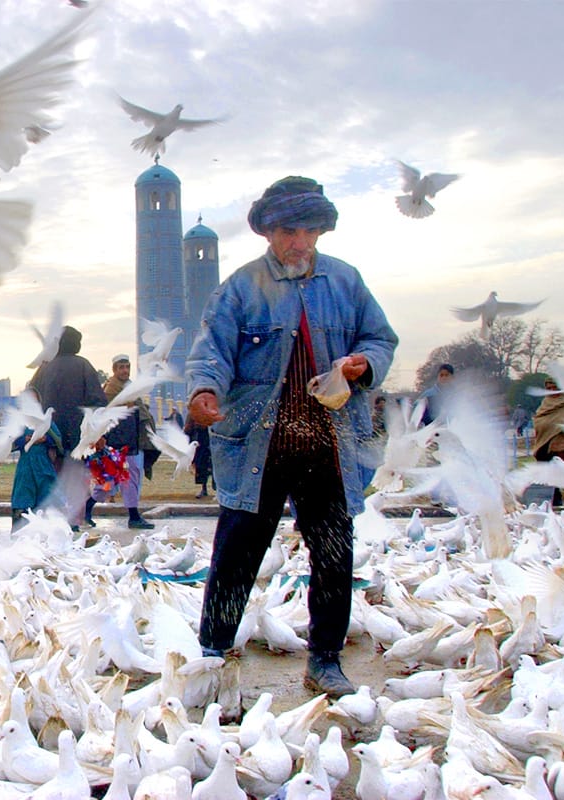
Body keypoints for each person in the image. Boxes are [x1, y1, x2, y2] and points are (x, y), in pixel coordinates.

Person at [185, 175, 398, 698]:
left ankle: (324, 659)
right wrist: (205, 390)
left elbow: (380, 337)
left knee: (332, 553)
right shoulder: (240, 287)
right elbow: (211, 348)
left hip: (328, 441)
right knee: (237, 550)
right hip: (260, 443)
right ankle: (212, 652)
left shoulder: (345, 282)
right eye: (288, 232)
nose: (299, 243)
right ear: (267, 233)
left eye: (308, 231)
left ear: (322, 232)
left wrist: (362, 363)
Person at [29, 325, 106, 527]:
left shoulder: (44, 368)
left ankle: (54, 522)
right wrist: (98, 433)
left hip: (50, 435)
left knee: (53, 478)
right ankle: (73, 521)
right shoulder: (83, 366)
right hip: (78, 435)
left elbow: (30, 398)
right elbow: (98, 402)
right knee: (76, 480)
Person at [96, 354, 157, 530]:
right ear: (114, 369)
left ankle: (133, 515)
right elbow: (105, 415)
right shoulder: (110, 390)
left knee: (131, 476)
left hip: (133, 440)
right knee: (110, 480)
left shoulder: (130, 387)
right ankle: (87, 507)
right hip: (118, 441)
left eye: (127, 367)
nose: (124, 370)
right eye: (121, 367)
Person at [10, 388, 63, 530]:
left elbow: (58, 441)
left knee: (46, 498)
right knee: (22, 497)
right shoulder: (19, 422)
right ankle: (19, 534)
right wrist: (25, 440)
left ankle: (46, 535)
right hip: (26, 466)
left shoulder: (46, 420)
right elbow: (11, 442)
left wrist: (45, 439)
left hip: (43, 465)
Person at [183, 412, 213, 499]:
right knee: (201, 466)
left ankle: (207, 489)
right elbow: (188, 430)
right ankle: (204, 489)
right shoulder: (193, 413)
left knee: (208, 466)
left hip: (208, 442)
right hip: (200, 443)